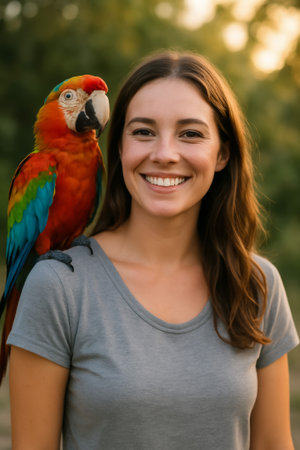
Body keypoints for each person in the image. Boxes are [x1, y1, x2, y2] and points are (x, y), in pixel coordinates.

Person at [7, 51, 299, 449]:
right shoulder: (58, 286)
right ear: (121, 148)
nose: (164, 154)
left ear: (223, 154)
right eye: (143, 132)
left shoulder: (258, 283)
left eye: (191, 133)